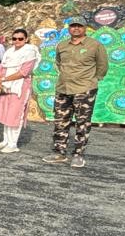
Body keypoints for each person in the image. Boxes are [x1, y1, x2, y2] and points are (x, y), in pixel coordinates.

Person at [43, 21, 108, 168]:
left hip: (84, 89)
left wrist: (92, 80)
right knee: (60, 121)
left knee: (82, 123)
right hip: (63, 88)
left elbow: (102, 65)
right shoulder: (62, 45)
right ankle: (59, 152)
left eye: (79, 26)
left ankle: (78, 154)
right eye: (73, 26)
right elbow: (59, 63)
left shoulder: (95, 45)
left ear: (85, 28)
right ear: (69, 28)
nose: (76, 28)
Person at [0, 29, 39, 153]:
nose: (17, 41)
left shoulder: (30, 52)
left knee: (15, 114)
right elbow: (1, 68)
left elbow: (24, 72)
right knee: (5, 112)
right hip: (5, 87)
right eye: (14, 39)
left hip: (19, 87)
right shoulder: (9, 52)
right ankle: (6, 140)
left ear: (26, 39)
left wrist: (3, 79)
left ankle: (13, 144)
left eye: (20, 39)